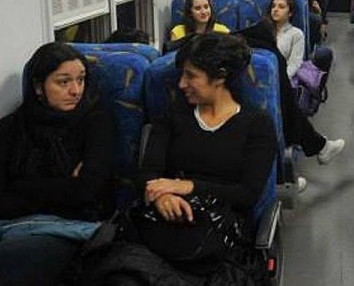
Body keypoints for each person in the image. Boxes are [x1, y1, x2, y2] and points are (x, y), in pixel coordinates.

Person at [105, 34, 278, 283]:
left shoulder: (256, 125)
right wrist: (163, 195)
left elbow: (248, 194)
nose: (182, 84)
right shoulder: (174, 116)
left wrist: (187, 186)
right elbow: (147, 172)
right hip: (163, 223)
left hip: (220, 235)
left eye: (191, 76)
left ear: (219, 77)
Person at [0, 43, 115, 283]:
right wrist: (63, 187)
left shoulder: (96, 122)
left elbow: (87, 192)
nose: (76, 91)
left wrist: (20, 186)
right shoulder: (6, 130)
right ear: (38, 87)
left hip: (71, 228)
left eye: (81, 80)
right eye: (63, 82)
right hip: (10, 225)